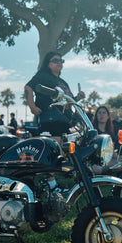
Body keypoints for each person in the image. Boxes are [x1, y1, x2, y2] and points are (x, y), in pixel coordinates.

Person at [25, 51, 85, 192]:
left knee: (63, 151)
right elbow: (28, 87)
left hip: (64, 121)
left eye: (61, 60)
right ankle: (51, 185)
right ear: (48, 63)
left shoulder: (63, 82)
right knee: (52, 149)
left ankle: (63, 179)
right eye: (55, 60)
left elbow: (67, 102)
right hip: (50, 118)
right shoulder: (42, 76)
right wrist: (32, 106)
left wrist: (77, 97)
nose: (59, 62)